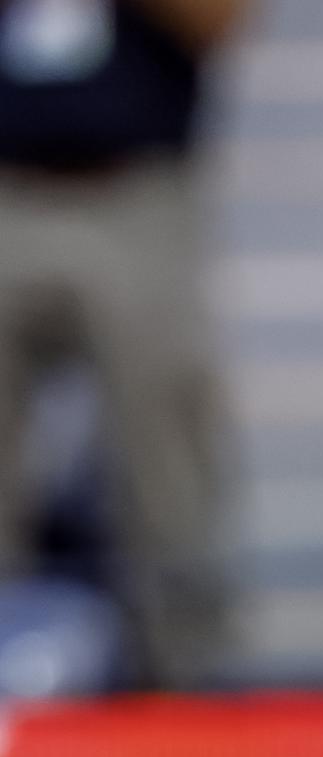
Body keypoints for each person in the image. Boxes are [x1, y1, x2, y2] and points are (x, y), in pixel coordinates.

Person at [0, 0, 246, 688]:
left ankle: (190, 671)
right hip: (8, 180)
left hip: (135, 182)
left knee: (164, 432)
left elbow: (222, 23)